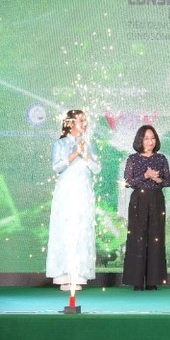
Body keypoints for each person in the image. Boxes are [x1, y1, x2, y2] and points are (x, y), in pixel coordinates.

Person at [46, 110, 101, 291]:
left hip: (84, 192)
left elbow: (97, 168)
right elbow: (57, 167)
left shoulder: (89, 144)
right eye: (81, 120)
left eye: (86, 120)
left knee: (81, 230)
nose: (85, 123)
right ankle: (64, 276)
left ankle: (79, 275)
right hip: (66, 193)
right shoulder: (60, 144)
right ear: (70, 123)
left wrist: (86, 154)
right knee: (65, 230)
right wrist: (75, 152)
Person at [122, 125, 170, 291]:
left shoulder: (161, 158)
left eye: (153, 138)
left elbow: (168, 181)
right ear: (140, 140)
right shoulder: (133, 159)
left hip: (156, 199)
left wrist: (157, 179)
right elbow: (128, 182)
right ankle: (136, 280)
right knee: (137, 238)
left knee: (155, 238)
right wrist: (146, 175)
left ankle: (153, 280)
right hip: (139, 200)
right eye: (146, 138)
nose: (150, 142)